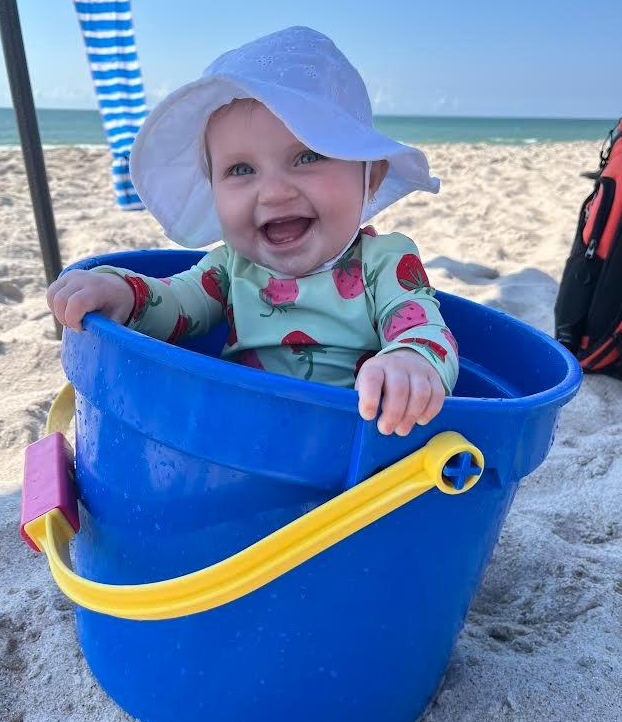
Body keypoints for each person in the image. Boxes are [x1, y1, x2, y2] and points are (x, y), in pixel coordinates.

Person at [47, 27, 458, 437]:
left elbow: (423, 327)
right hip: (240, 439)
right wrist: (123, 293)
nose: (275, 192)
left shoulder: (384, 261)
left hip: (347, 449)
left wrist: (410, 360)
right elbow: (174, 304)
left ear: (370, 177)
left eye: (307, 156)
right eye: (241, 170)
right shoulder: (231, 266)